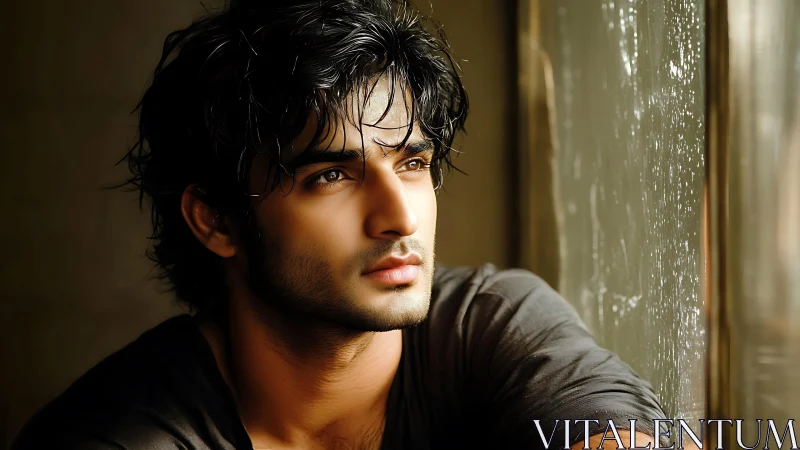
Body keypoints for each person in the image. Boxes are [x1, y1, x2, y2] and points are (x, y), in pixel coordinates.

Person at [12, 0, 670, 448]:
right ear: (215, 219)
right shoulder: (118, 430)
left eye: (411, 163)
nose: (400, 216)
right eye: (332, 175)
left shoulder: (492, 326)